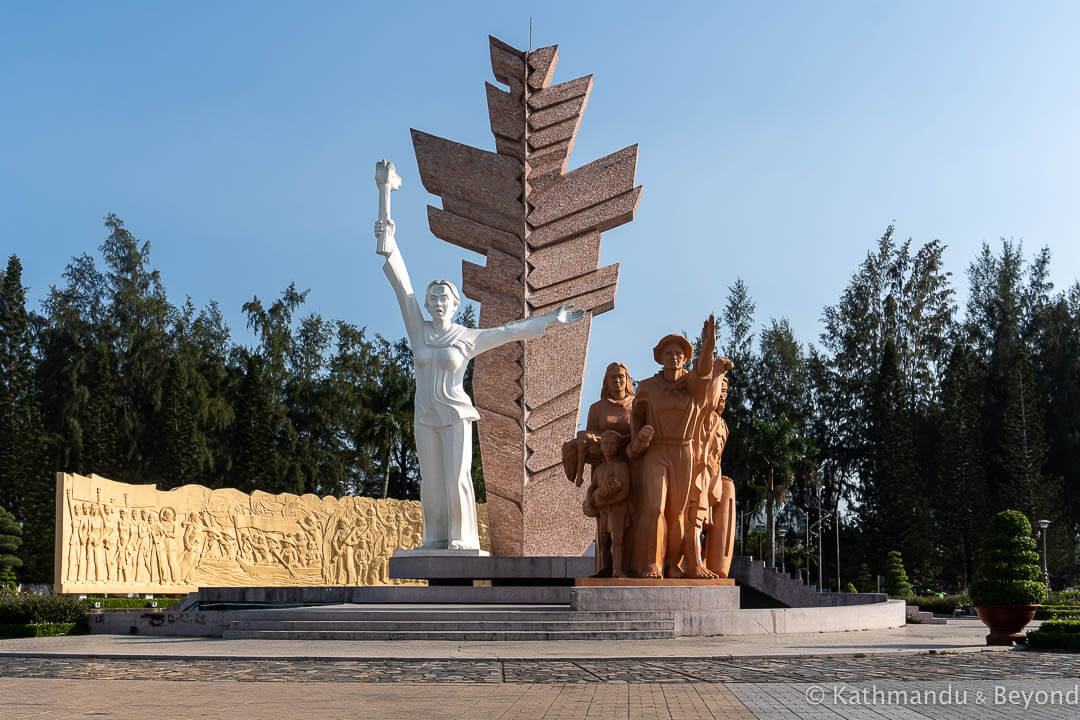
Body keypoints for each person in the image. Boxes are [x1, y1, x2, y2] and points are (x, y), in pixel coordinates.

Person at [374, 216, 584, 551]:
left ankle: (461, 536)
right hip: (425, 414)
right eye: (434, 298)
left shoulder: (466, 337)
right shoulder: (420, 332)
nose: (438, 302)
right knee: (430, 479)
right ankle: (435, 537)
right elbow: (403, 287)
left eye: (445, 298)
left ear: (455, 305)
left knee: (456, 476)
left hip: (456, 414)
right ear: (427, 304)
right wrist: (389, 243)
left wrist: (549, 319)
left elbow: (507, 332)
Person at [629, 316, 716, 578]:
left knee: (677, 512)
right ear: (659, 357)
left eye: (679, 353)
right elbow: (636, 419)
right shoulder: (646, 387)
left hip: (684, 450)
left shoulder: (692, 386)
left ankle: (673, 565)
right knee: (654, 507)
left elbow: (703, 374)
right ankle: (651, 563)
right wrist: (639, 441)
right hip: (656, 451)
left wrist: (708, 347)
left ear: (686, 358)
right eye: (668, 353)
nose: (674, 357)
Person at [590, 430, 633, 577]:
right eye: (605, 444)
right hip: (603, 511)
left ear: (618, 446)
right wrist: (592, 499)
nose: (608, 447)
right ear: (601, 446)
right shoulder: (599, 469)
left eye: (612, 444)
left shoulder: (621, 466)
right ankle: (604, 568)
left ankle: (617, 569)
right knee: (602, 541)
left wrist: (608, 501)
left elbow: (625, 491)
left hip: (617, 510)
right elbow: (593, 487)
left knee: (617, 540)